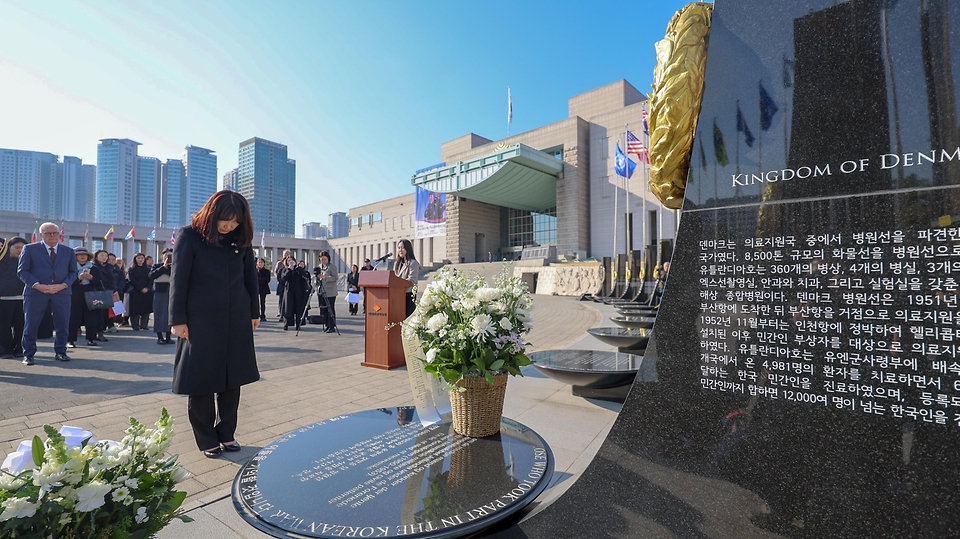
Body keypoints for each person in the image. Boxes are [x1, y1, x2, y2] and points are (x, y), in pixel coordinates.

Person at [170, 190, 260, 459]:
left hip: (237, 318)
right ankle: (206, 438)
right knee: (202, 380)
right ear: (212, 213)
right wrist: (177, 320)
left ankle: (227, 433)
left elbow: (250, 279)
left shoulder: (240, 241)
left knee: (233, 379)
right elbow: (179, 280)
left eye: (235, 222)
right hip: (200, 321)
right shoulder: (190, 236)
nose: (229, 226)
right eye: (225, 220)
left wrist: (254, 311)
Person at [17, 222, 77, 365]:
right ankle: (29, 354)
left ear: (59, 234)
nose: (52, 236)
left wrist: (63, 285)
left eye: (54, 233)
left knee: (62, 324)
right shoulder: (30, 249)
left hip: (61, 293)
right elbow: (22, 271)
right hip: (36, 292)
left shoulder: (68, 251)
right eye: (48, 233)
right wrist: (38, 286)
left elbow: (73, 272)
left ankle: (61, 352)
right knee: (31, 324)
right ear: (41, 235)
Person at [67, 247, 104, 348]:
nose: (82, 256)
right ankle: (71, 340)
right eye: (79, 255)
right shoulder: (70, 268)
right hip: (75, 295)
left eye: (84, 254)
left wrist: (92, 278)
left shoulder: (94, 268)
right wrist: (78, 279)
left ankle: (91, 339)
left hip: (91, 295)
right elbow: (66, 283)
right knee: (73, 318)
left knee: (91, 318)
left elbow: (101, 283)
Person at [0, 237, 27, 359]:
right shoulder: (3, 262)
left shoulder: (27, 262)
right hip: (4, 299)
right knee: (4, 326)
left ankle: (19, 349)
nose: (20, 251)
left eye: (23, 248)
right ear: (8, 248)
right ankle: (6, 350)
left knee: (21, 325)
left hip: (23, 298)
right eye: (16, 248)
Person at [277, 256, 310, 331]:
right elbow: (284, 278)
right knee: (287, 308)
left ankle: (298, 324)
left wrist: (296, 269)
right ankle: (286, 324)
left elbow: (304, 275)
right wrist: (289, 269)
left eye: (292, 261)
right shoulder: (285, 270)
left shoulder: (299, 270)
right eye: (288, 261)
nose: (290, 262)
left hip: (299, 292)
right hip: (289, 291)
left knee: (298, 308)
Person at [150, 248, 173, 344]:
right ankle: (159, 337)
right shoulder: (156, 266)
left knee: (170, 315)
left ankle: (168, 337)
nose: (168, 257)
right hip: (159, 292)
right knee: (159, 314)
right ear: (162, 256)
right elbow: (151, 275)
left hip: (171, 291)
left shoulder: (176, 266)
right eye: (166, 255)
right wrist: (164, 267)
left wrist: (170, 267)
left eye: (170, 255)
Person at [127, 253, 153, 331]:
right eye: (138, 258)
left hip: (147, 291)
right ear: (135, 259)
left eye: (142, 258)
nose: (140, 260)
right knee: (135, 309)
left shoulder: (148, 268)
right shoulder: (131, 269)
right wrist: (140, 288)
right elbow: (131, 280)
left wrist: (147, 288)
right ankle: (135, 325)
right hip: (135, 291)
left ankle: (144, 325)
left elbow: (151, 279)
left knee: (146, 309)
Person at [394, 239, 419, 317]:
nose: (400, 250)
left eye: (403, 248)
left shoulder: (413, 263)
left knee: (408, 318)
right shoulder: (396, 263)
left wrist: (399, 285)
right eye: (399, 248)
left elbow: (412, 280)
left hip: (408, 295)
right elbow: (393, 278)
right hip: (397, 295)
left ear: (408, 249)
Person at [93, 250, 116, 340]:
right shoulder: (94, 267)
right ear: (96, 257)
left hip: (108, 292)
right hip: (97, 292)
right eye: (101, 255)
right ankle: (97, 333)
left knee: (106, 313)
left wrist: (114, 290)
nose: (104, 257)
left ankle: (103, 330)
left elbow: (113, 280)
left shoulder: (109, 267)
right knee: (98, 314)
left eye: (106, 256)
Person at [314, 251, 338, 333]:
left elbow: (335, 277)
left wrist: (325, 277)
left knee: (330, 309)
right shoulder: (319, 267)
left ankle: (332, 326)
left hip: (330, 291)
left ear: (328, 258)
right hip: (321, 290)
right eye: (321, 259)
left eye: (325, 259)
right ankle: (326, 325)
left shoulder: (332, 266)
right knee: (323, 309)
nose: (323, 260)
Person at [273, 249, 292, 318]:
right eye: (285, 254)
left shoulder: (291, 263)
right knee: (281, 299)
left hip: (288, 284)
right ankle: (280, 312)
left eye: (288, 254)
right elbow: (275, 271)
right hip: (281, 283)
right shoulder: (279, 263)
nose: (286, 255)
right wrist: (278, 278)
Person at [256, 257, 270, 322]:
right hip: (256, 288)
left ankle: (263, 315)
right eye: (259, 262)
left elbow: (267, 279)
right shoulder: (254, 271)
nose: (260, 264)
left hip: (264, 288)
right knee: (255, 302)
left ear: (264, 264)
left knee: (262, 302)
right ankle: (256, 315)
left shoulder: (267, 271)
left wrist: (259, 280)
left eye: (262, 262)